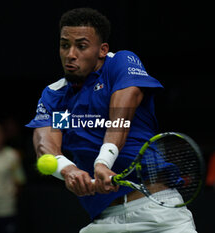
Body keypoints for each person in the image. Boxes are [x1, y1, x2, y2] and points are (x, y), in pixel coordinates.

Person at [26, 8, 196, 233]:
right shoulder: (55, 96)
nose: (70, 54)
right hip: (105, 220)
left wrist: (103, 162)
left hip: (158, 213)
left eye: (81, 46)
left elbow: (120, 117)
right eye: (65, 45)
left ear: (102, 50)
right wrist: (68, 170)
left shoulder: (120, 64)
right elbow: (45, 147)